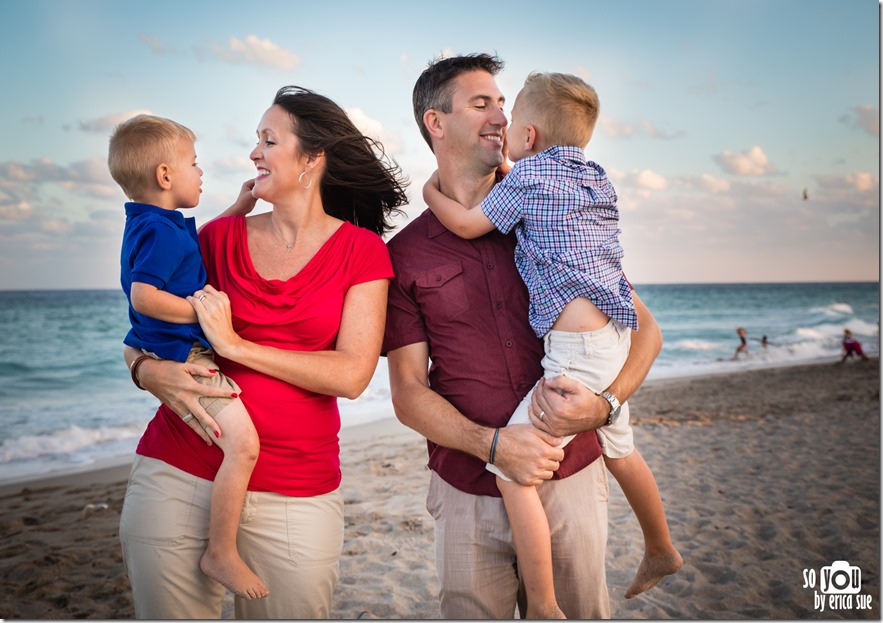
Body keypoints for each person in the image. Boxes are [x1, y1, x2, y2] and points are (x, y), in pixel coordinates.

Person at [383, 53, 662, 619]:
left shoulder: (557, 210)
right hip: (466, 486)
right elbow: (408, 394)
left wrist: (605, 406)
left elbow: (645, 330)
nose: (500, 117)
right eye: (481, 103)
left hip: (572, 473)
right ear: (435, 122)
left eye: (503, 104)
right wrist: (492, 446)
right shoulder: (405, 254)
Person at [118, 86, 408, 619]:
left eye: (269, 140)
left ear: (313, 158)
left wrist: (235, 346)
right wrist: (144, 371)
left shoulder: (361, 251)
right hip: (179, 470)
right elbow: (140, 333)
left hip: (297, 489)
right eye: (255, 140)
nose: (254, 153)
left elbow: (350, 374)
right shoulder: (216, 237)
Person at [110, 114, 267, 600]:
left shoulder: (155, 225)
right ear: (164, 176)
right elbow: (144, 297)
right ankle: (221, 550)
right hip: (189, 352)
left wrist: (238, 209)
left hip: (173, 348)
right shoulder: (157, 231)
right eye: (194, 164)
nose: (201, 173)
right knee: (243, 446)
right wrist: (204, 312)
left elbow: (191, 253)